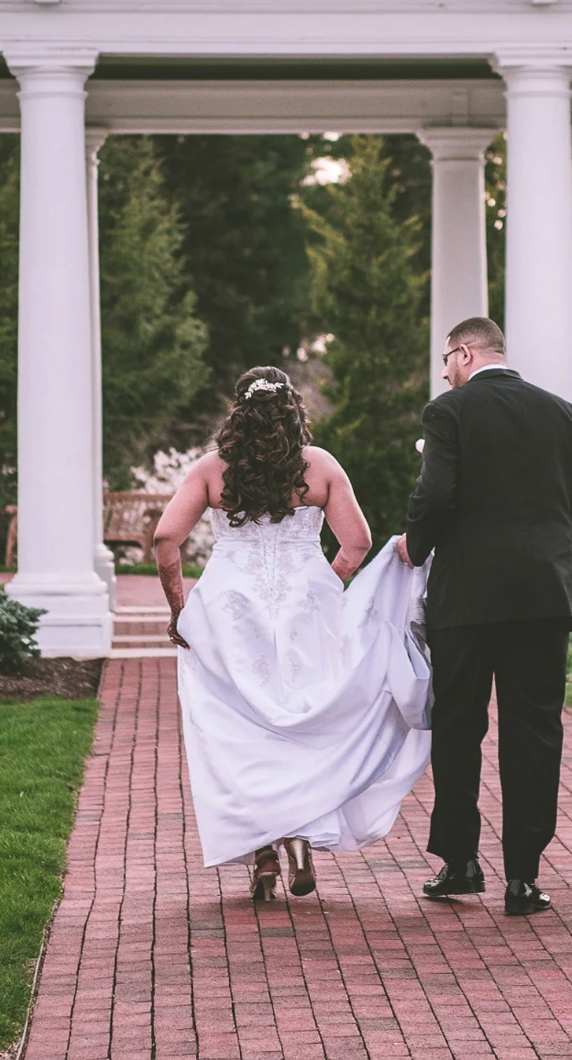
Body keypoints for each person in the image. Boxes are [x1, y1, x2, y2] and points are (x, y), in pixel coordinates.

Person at [153, 365, 432, 903]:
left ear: (239, 412)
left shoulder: (213, 470)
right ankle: (299, 836)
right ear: (292, 411)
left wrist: (179, 607)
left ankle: (261, 853)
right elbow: (357, 542)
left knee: (237, 729)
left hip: (230, 608)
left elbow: (167, 537)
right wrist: (323, 588)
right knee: (301, 718)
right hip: (305, 605)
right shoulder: (320, 466)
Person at [396, 316, 572, 918]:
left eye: (446, 360)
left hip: (466, 600)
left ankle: (460, 863)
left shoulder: (449, 413)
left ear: (465, 353)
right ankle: (524, 878)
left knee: (460, 728)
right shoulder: (562, 413)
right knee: (534, 733)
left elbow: (435, 495)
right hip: (542, 598)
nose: (444, 373)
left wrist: (415, 544)